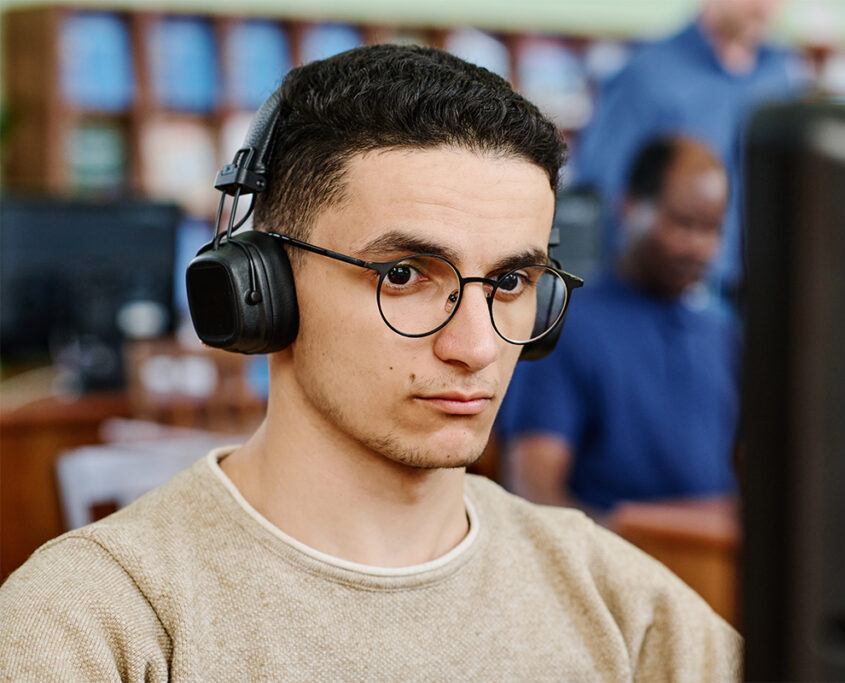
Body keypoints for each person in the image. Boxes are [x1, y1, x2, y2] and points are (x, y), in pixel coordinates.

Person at [0, 46, 740, 679]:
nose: (477, 345)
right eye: (404, 275)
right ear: (264, 289)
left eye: (511, 281)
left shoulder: (617, 600)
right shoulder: (95, 622)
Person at [500, 135, 739, 517]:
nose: (699, 247)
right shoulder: (568, 329)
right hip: (612, 560)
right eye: (683, 223)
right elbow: (533, 491)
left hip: (715, 562)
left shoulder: (722, 334)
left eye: (712, 229)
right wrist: (626, 552)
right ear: (629, 207)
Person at [574, 0, 803, 303]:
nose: (765, 8)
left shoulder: (781, 74)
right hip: (674, 296)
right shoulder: (647, 76)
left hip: (760, 292)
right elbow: (602, 192)